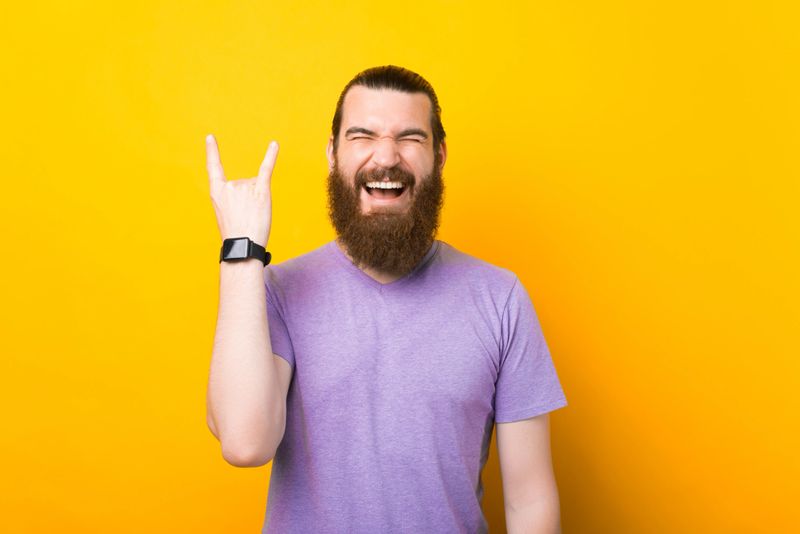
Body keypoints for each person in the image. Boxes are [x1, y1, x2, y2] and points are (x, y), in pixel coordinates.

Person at [205, 65, 568, 534]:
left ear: (438, 156)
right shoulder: (277, 290)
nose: (386, 156)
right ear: (333, 155)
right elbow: (244, 443)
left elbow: (531, 499)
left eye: (410, 138)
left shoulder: (501, 299)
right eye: (363, 135)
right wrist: (241, 250)